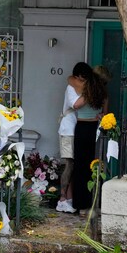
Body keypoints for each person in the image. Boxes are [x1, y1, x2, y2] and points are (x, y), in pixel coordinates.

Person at [69, 62, 108, 215]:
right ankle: (91, 203)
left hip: (82, 127)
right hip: (94, 129)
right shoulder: (102, 93)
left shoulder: (88, 90)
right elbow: (105, 113)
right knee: (91, 165)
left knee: (80, 166)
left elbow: (76, 105)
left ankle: (80, 204)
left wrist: (86, 94)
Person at [55, 65, 83, 213]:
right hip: (68, 129)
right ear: (77, 77)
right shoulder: (71, 88)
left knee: (73, 163)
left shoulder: (76, 85)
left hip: (75, 128)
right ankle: (62, 198)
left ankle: (70, 198)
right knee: (68, 164)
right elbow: (76, 104)